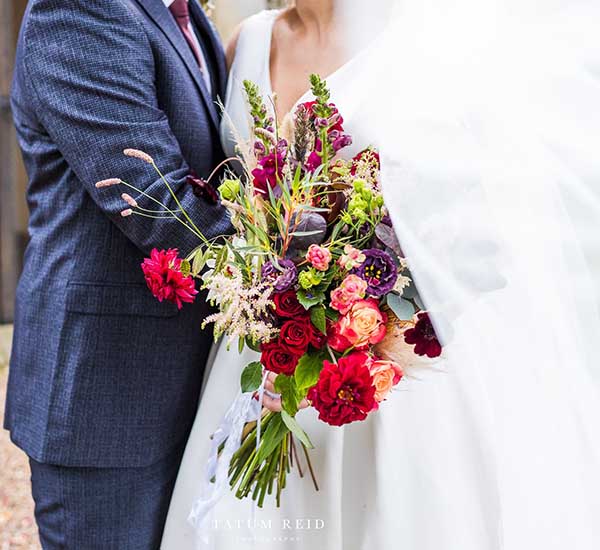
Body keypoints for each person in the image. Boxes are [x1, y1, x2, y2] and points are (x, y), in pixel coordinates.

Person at [162, 1, 600, 549]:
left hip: (378, 364)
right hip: (258, 352)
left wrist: (371, 317)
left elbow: (477, 225)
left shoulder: (422, 39)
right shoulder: (246, 43)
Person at [5, 0, 230, 548]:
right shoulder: (80, 9)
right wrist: (290, 269)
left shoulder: (187, 15)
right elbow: (152, 200)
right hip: (105, 390)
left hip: (183, 372)